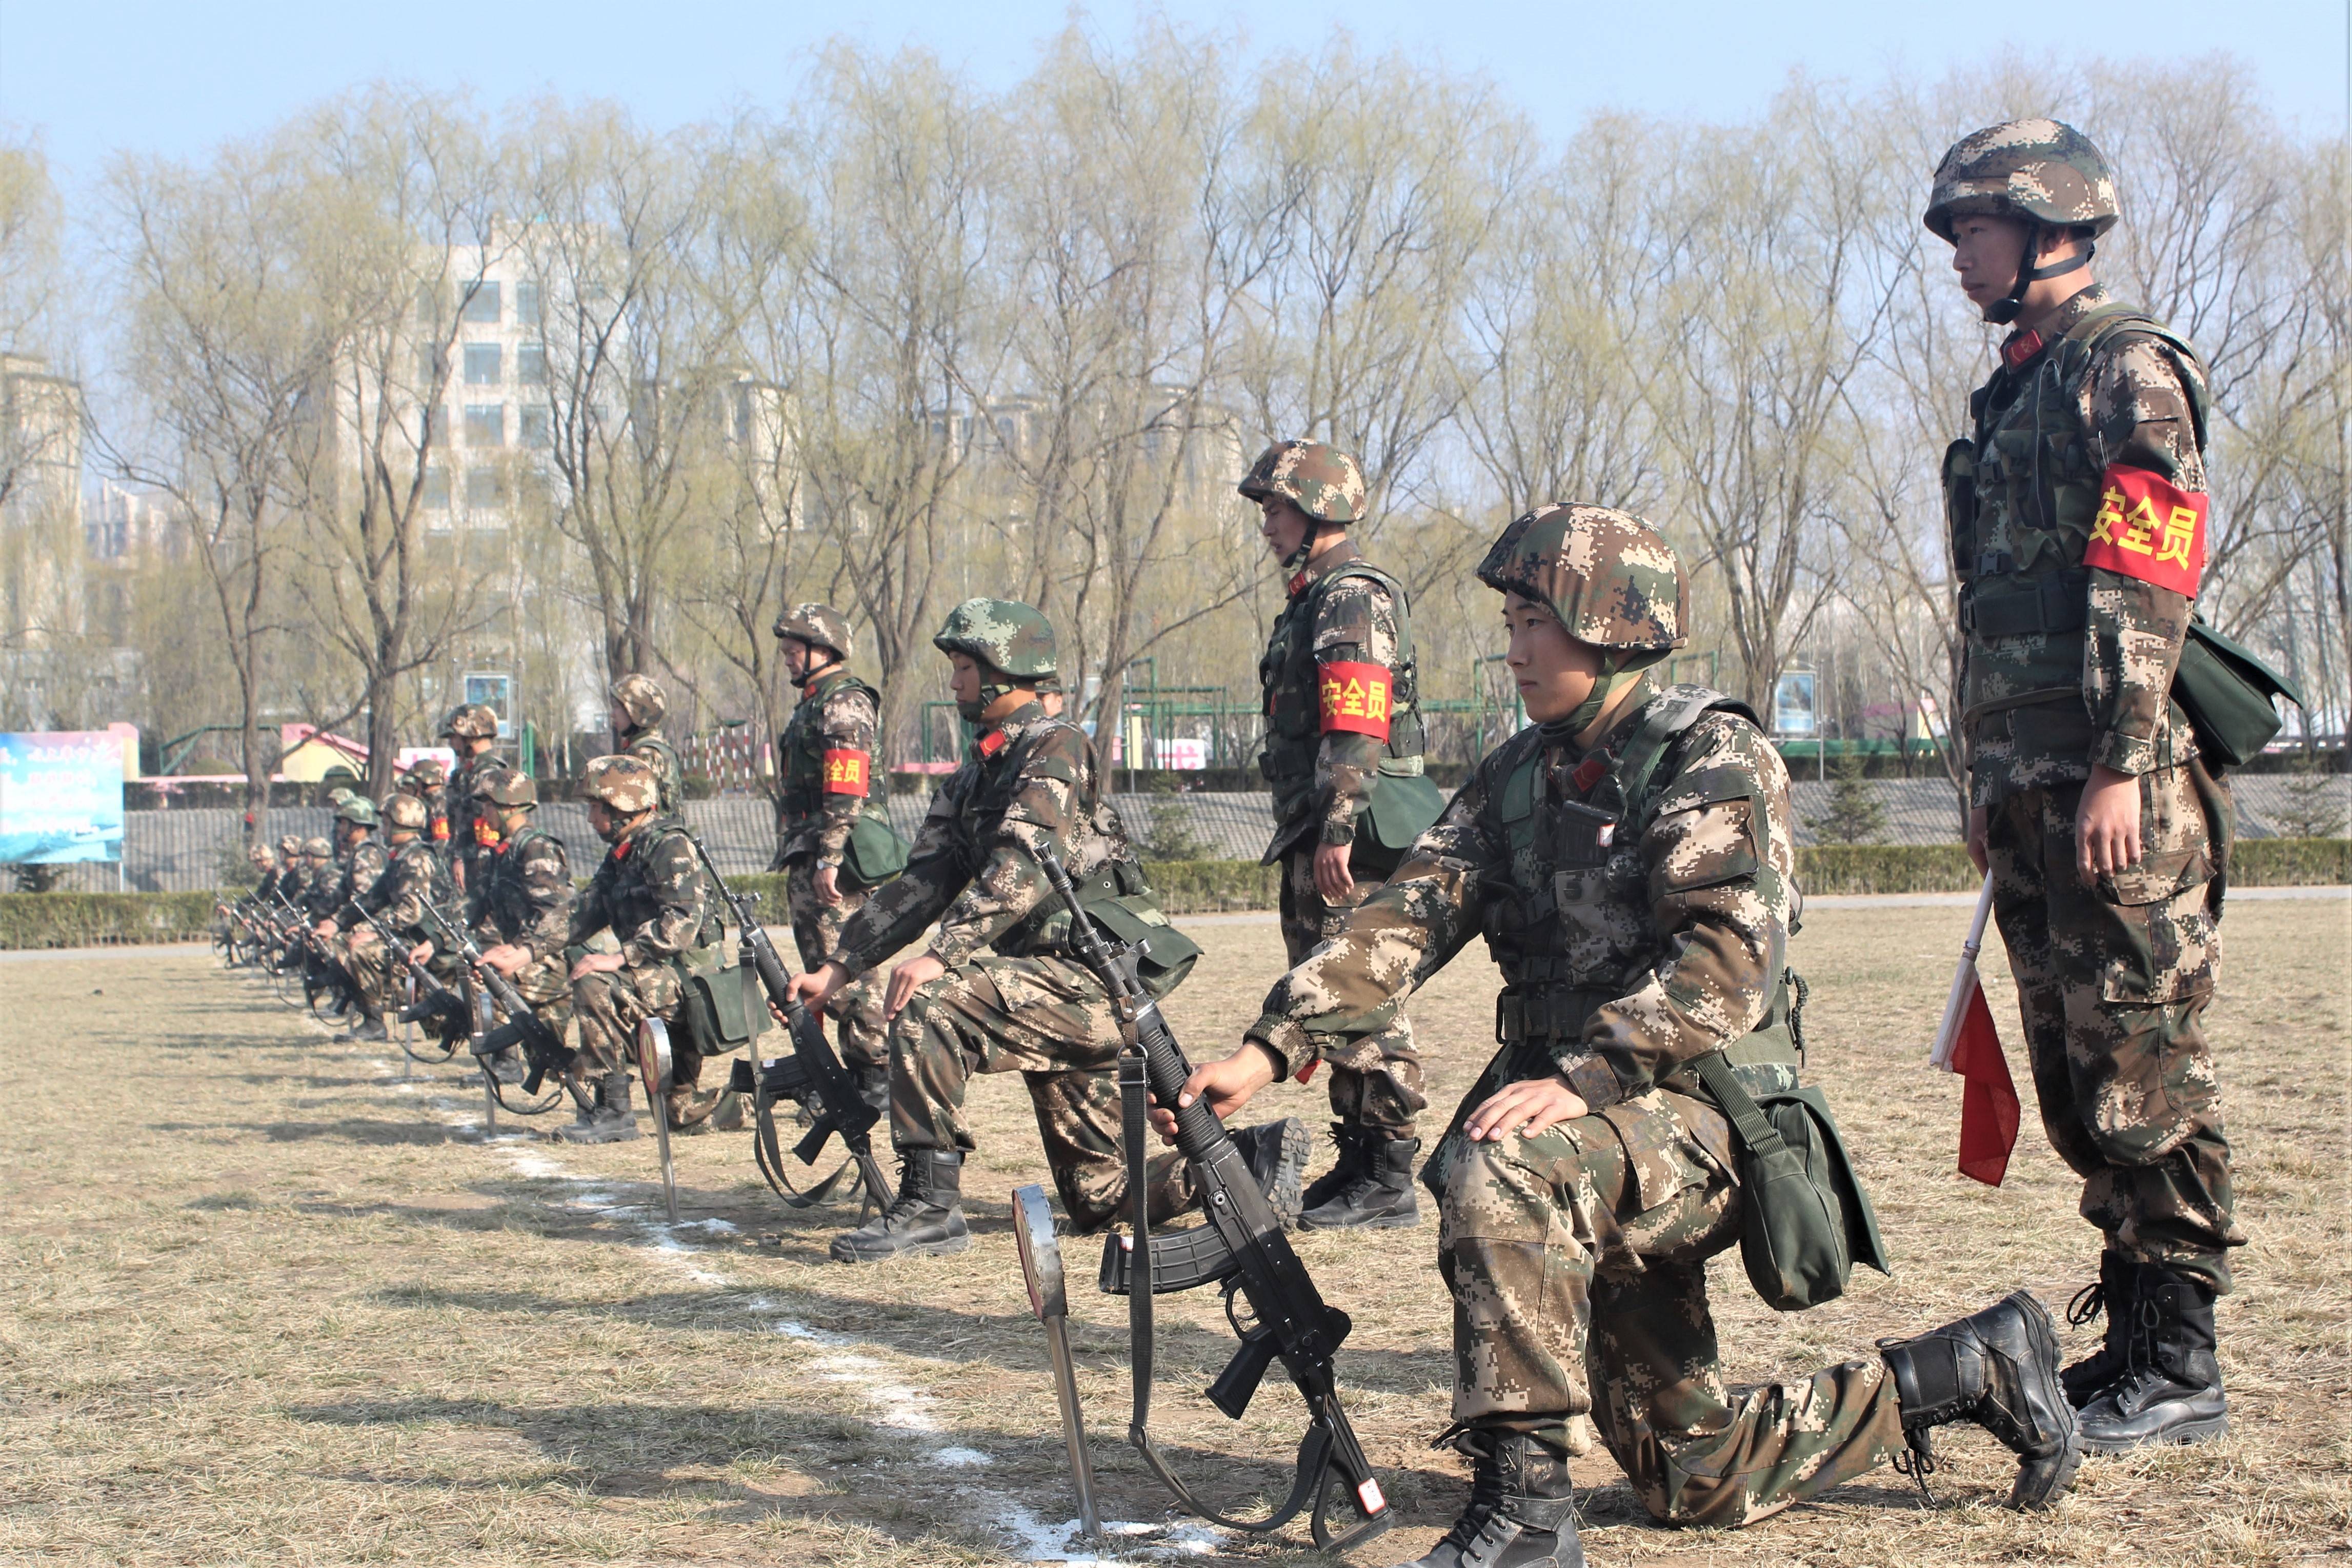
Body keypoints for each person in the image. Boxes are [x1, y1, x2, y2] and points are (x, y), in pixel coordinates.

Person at [1166, 507, 2081, 1567]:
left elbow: (1726, 964)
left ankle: (1525, 1515)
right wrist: (1268, 1048)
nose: (1511, 648)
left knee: (1498, 1166)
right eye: (1509, 621)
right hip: (1599, 1135)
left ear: (1610, 624)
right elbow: (1404, 915)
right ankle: (1967, 1368)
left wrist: (1588, 1074)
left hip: (1704, 1115)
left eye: (1531, 621)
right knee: (1690, 1473)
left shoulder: (1710, 754)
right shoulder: (1519, 770)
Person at [1928, 119, 2237, 1452]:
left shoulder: (2122, 369)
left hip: (2118, 790)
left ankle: (2183, 1362)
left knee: (2140, 1067)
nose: (1957, 256)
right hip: (2034, 796)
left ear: (2051, 227)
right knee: (2074, 1074)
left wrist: (2120, 757)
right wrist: (1986, 784)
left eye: (1974, 229)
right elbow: (1992, 614)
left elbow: (2146, 570)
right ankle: (2133, 1337)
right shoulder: (2013, 390)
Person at [788, 597, 1310, 1264]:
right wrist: (836, 967)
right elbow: (918, 884)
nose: (953, 685)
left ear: (1003, 671)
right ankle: (1254, 1159)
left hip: (1092, 982)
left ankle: (927, 1206)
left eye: (963, 669)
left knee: (927, 1002)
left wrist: (943, 955)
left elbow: (1021, 864)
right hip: (1038, 986)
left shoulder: (1055, 746)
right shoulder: (975, 773)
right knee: (1099, 1197)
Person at [1238, 438, 1437, 1231]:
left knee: (1359, 989)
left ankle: (1386, 1172)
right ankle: (1359, 1159)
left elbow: (1357, 719)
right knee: (1327, 988)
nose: (1266, 524)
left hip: (1349, 832)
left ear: (1317, 510)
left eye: (1275, 508)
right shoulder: (1313, 595)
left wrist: (1338, 825)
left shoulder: (1349, 595)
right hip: (1321, 823)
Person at [769, 601, 895, 1110]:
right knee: (822, 967)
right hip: (811, 850)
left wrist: (829, 859)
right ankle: (847, 1079)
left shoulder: (843, 703)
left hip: (834, 858)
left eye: (794, 650)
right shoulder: (815, 703)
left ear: (825, 649)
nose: (787, 660)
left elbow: (846, 785)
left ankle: (876, 1079)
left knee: (850, 972)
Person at [564, 754, 728, 1142]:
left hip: (690, 981)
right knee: (681, 1114)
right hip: (661, 978)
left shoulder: (669, 845)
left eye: (594, 807)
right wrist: (523, 950)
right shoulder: (624, 852)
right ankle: (759, 1093)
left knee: (596, 983)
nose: (590, 819)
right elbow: (583, 912)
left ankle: (613, 1109)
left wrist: (620, 957)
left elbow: (682, 923)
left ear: (621, 806)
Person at [463, 767, 578, 1103]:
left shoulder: (536, 848)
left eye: (488, 804)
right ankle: (511, 1058)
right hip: (527, 953)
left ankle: (506, 1060)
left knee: (489, 980)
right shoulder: (504, 851)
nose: (484, 813)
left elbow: (553, 915)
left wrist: (515, 950)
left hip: (549, 958)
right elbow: (480, 906)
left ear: (508, 805)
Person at [331, 794, 446, 1036]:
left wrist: (373, 933)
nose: (382, 830)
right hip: (412, 935)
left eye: (386, 823)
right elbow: (371, 900)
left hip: (430, 939)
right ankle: (377, 1006)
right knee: (341, 943)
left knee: (363, 951)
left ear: (400, 823)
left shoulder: (417, 858)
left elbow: (411, 912)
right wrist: (336, 923)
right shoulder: (402, 858)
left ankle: (377, 1022)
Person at [310, 798, 389, 1037]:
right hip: (359, 922)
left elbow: (366, 901)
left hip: (373, 926)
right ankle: (351, 999)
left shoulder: (367, 855)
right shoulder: (357, 855)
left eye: (344, 823)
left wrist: (352, 929)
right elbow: (339, 897)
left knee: (348, 950)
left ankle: (372, 1017)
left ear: (358, 826)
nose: (340, 829)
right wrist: (314, 921)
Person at [439, 704, 509, 891]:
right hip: (469, 864)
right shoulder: (466, 773)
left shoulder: (488, 772)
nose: (452, 743)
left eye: (455, 736)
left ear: (471, 734)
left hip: (481, 866)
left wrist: (463, 859)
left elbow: (488, 825)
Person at [610, 673, 687, 815]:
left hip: (651, 835)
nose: (612, 715)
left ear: (635, 711)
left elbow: (641, 813)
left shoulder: (644, 752)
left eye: (617, 707)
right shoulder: (660, 746)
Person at [398, 757, 453, 852]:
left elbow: (442, 842)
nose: (416, 785)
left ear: (426, 780)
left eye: (417, 781)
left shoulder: (439, 803)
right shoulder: (438, 799)